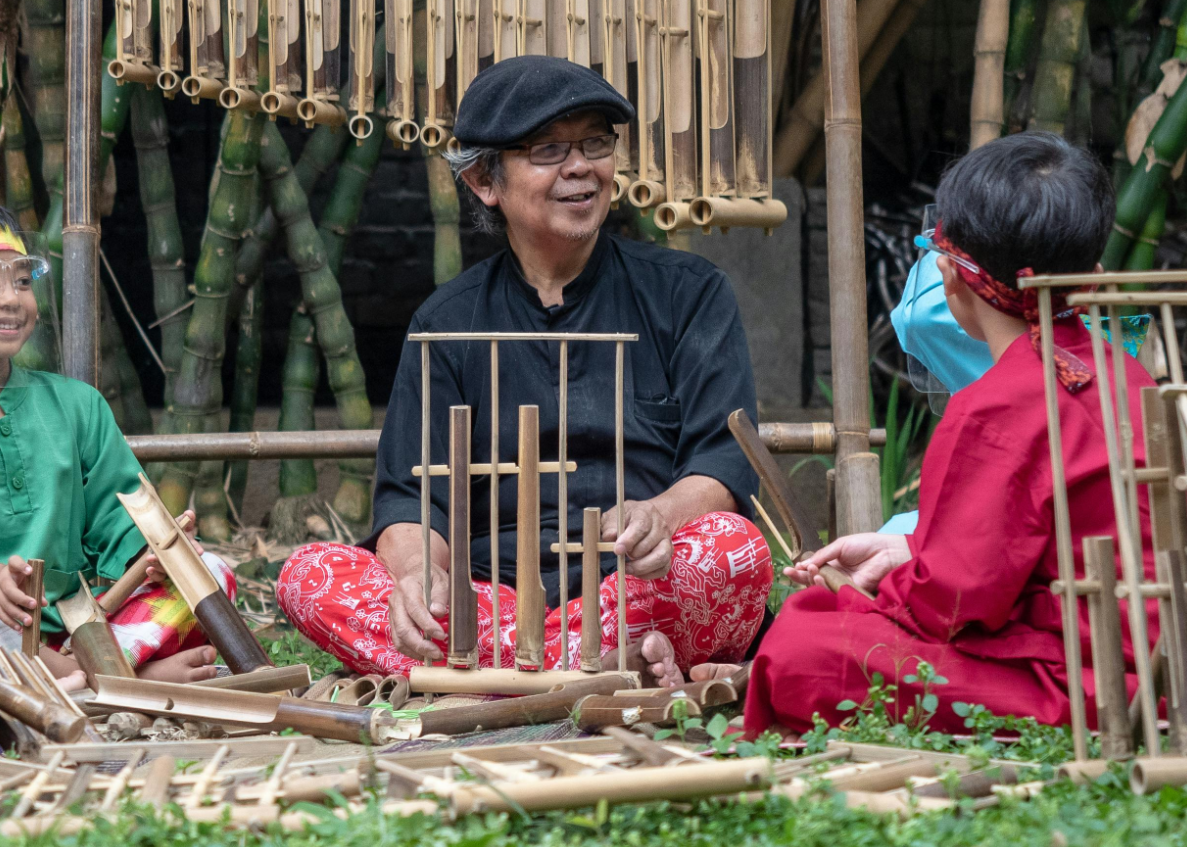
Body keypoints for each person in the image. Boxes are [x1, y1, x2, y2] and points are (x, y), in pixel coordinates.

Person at [277, 56, 772, 681]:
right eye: (548, 149)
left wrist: (662, 515)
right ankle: (599, 668)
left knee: (731, 550)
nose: (580, 167)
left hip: (639, 589)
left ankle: (495, 679)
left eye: (595, 143)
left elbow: (723, 462)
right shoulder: (445, 323)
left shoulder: (688, 293)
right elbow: (411, 497)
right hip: (492, 602)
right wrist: (417, 577)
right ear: (486, 180)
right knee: (310, 576)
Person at [744, 132, 1157, 736]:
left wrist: (885, 590)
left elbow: (956, 603)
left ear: (949, 276)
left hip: (1090, 679)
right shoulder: (1125, 368)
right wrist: (905, 551)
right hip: (1151, 651)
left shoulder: (995, 406)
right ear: (1091, 278)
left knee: (805, 640)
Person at [0, 199, 230, 683]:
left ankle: (79, 680)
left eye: (22, 280)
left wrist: (150, 553)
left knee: (208, 571)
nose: (10, 298)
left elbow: (121, 509)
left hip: (90, 624)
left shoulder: (79, 405)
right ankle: (124, 682)